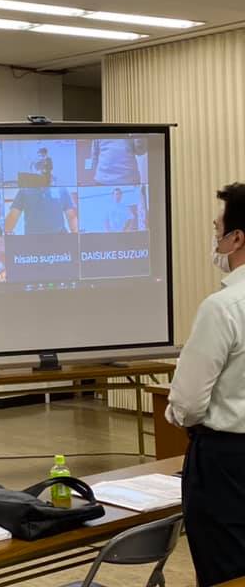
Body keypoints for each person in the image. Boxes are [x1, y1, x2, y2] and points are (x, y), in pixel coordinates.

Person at [167, 183, 245, 586]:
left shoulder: (223, 307)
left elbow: (188, 403)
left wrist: (177, 413)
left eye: (218, 229)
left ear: (236, 239)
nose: (215, 239)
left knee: (225, 569)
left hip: (226, 462)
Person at [4, 187, 78, 235]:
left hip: (35, 241)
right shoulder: (24, 190)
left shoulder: (62, 189)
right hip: (55, 240)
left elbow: (13, 216)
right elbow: (71, 217)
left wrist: (6, 234)